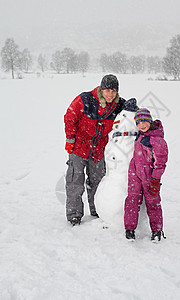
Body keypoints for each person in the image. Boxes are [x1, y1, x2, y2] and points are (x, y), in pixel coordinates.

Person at [64, 74, 139, 226]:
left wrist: (133, 108)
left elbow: (128, 115)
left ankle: (97, 210)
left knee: (98, 182)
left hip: (99, 150)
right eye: (107, 91)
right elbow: (69, 117)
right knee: (75, 181)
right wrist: (70, 140)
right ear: (101, 89)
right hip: (79, 147)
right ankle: (74, 214)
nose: (110, 94)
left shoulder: (118, 105)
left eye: (113, 91)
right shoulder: (85, 99)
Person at [124, 108, 168, 241]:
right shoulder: (141, 134)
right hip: (135, 173)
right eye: (138, 123)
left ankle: (157, 230)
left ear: (149, 121)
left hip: (150, 176)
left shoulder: (157, 140)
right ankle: (130, 229)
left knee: (153, 203)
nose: (141, 125)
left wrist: (155, 179)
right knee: (132, 200)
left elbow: (161, 163)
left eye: (144, 121)